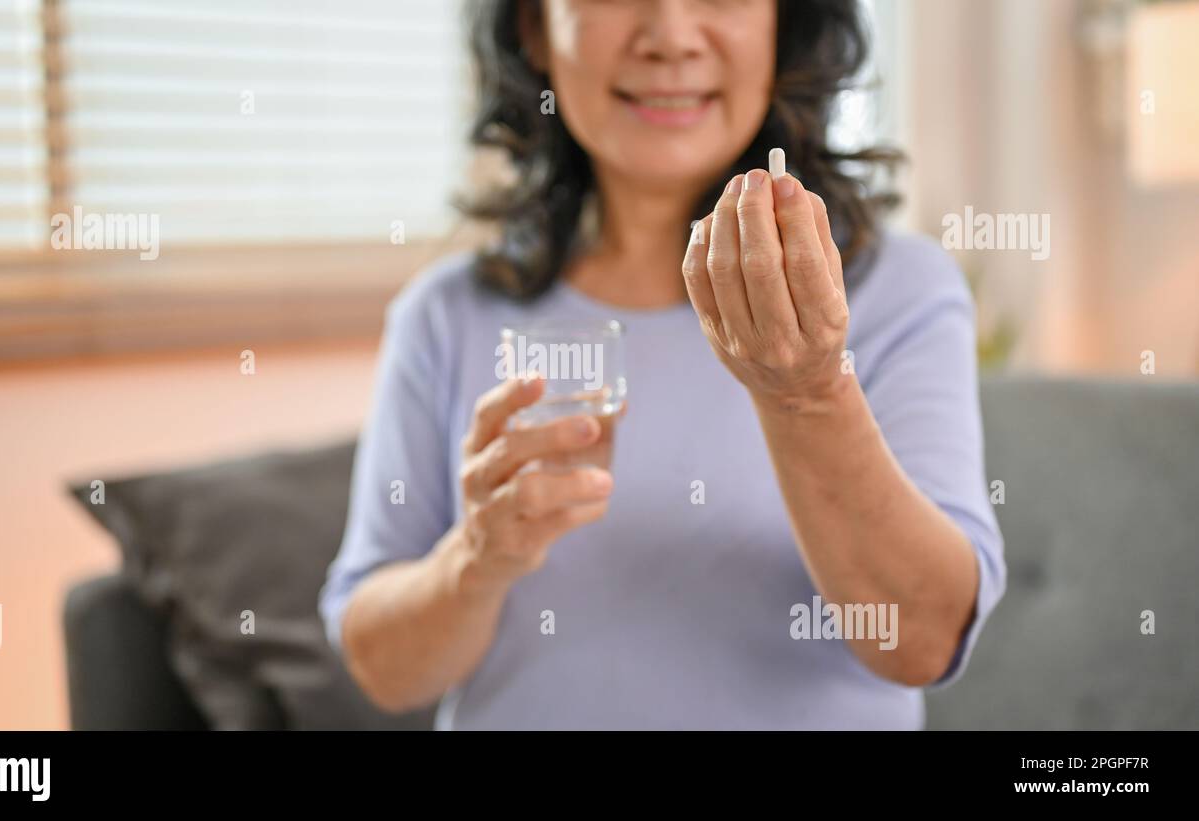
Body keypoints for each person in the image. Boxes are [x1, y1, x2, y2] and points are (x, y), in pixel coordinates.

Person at [320, 0, 1005, 729]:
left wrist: (807, 392)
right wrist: (476, 557)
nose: (670, 38)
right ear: (533, 28)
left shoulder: (897, 289)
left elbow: (922, 640)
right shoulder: (447, 312)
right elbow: (382, 667)